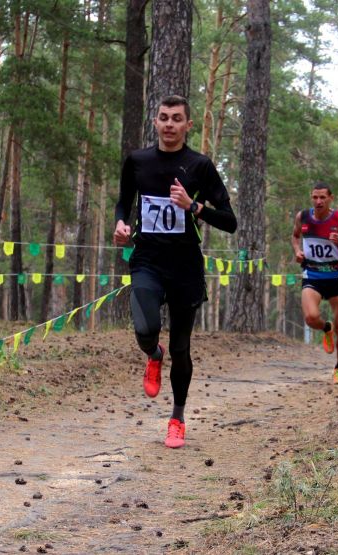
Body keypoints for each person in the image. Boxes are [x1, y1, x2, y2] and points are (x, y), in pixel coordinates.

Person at [114, 95, 237, 449]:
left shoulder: (200, 166)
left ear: (188, 125)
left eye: (177, 118)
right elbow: (123, 202)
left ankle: (177, 419)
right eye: (164, 117)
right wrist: (121, 224)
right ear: (155, 121)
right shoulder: (138, 161)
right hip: (147, 260)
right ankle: (153, 354)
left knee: (181, 348)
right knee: (145, 328)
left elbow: (229, 221)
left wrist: (194, 206)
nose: (170, 124)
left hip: (185, 267)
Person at [291, 182, 338, 385]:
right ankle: (326, 327)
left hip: (336, 275)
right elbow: (295, 236)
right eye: (315, 197)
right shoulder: (302, 217)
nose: (318, 201)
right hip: (312, 274)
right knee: (311, 318)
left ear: (330, 199)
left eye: (322, 197)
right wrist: (297, 251)